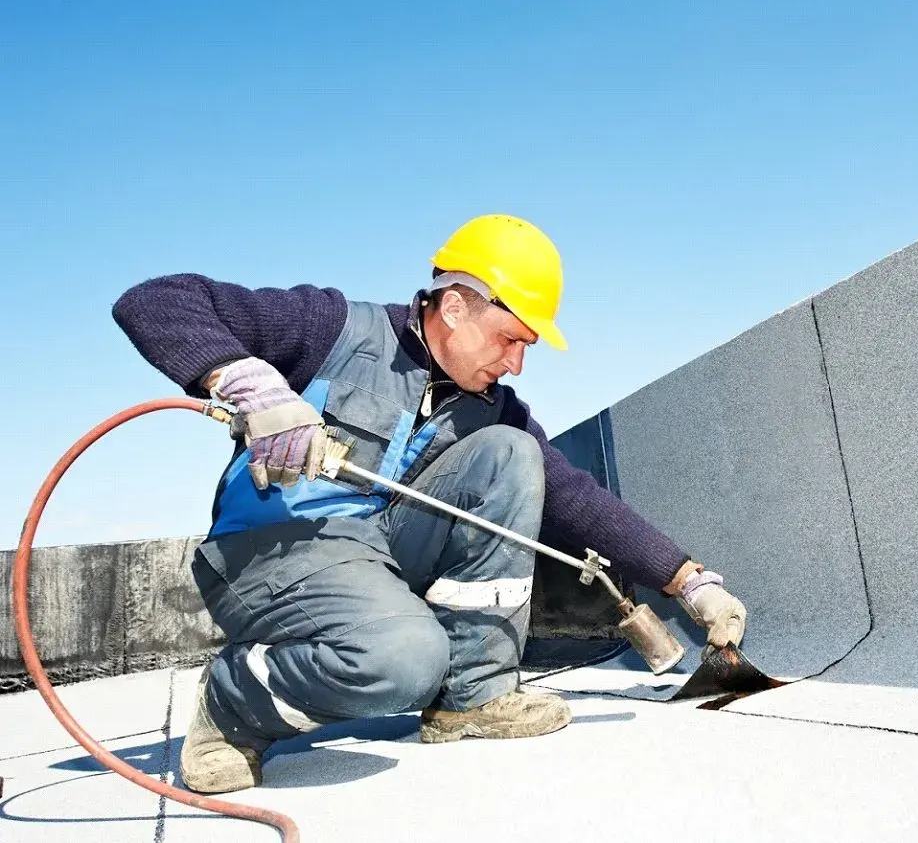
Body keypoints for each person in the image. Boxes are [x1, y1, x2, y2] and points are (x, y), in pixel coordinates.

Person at [112, 214, 747, 795]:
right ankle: (232, 701)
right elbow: (155, 301)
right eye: (509, 339)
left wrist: (689, 582)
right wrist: (251, 385)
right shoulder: (333, 328)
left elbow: (576, 499)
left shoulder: (491, 407)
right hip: (274, 550)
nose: (517, 363)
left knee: (512, 454)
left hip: (376, 552)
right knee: (404, 662)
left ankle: (471, 697)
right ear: (454, 306)